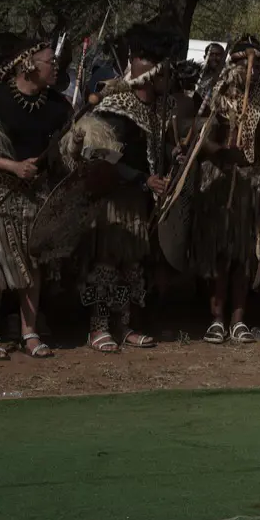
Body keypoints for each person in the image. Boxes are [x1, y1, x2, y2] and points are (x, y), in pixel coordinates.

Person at [69, 23, 177, 353]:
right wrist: (142, 179)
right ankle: (98, 327)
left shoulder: (158, 110)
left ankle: (125, 324)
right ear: (151, 74)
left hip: (137, 203)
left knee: (131, 266)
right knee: (107, 263)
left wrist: (173, 154)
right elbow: (101, 157)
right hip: (112, 200)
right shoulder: (116, 109)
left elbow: (152, 151)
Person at [0, 38, 72, 359]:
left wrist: (74, 148)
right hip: (0, 192)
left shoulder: (58, 106)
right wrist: (12, 166)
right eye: (49, 62)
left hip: (38, 195)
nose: (55, 67)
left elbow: (64, 152)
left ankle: (29, 332)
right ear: (27, 64)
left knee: (33, 263)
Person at [194, 38, 260, 345]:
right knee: (220, 253)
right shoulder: (218, 92)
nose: (249, 69)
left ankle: (238, 320)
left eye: (256, 64)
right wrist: (221, 152)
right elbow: (202, 136)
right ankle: (216, 319)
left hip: (247, 181)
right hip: (220, 179)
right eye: (243, 62)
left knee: (243, 256)